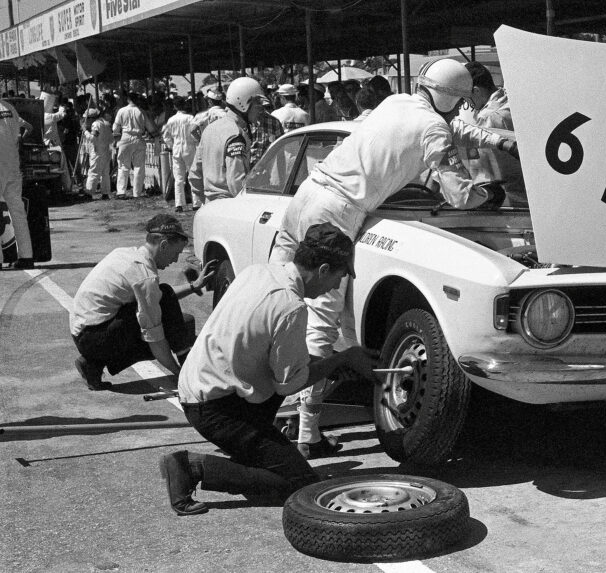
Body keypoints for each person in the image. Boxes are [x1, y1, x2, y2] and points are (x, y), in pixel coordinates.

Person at [270, 58, 517, 457]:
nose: (457, 111)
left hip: (306, 197)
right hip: (338, 211)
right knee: (322, 326)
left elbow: (441, 129)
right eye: (457, 103)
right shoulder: (434, 127)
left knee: (278, 301)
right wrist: (488, 193)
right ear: (449, 98)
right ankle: (307, 435)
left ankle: (264, 408)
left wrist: (494, 138)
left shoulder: (396, 102)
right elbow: (458, 194)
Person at [160, 223, 377, 516]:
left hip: (200, 385)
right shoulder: (291, 308)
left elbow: (278, 355)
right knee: (299, 485)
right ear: (323, 269)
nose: (337, 287)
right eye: (339, 276)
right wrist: (343, 359)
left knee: (278, 458)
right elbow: (288, 384)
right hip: (217, 409)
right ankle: (193, 467)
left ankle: (253, 450)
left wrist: (335, 362)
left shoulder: (258, 272)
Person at [70, 215, 217, 390]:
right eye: (176, 253)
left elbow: (156, 296)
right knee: (165, 330)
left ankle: (92, 364)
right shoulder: (144, 276)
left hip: (85, 332)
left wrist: (194, 286)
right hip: (94, 337)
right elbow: (154, 336)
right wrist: (178, 373)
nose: (175, 260)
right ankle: (186, 366)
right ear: (163, 245)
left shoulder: (126, 253)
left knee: (172, 308)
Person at [188, 78, 264, 204]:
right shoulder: (236, 135)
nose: (260, 109)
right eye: (257, 104)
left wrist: (207, 201)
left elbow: (194, 175)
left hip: (209, 207)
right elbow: (236, 183)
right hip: (229, 206)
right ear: (243, 104)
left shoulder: (209, 129)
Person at [461, 61, 526, 206]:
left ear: (476, 91)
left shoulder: (488, 120)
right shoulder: (514, 103)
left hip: (508, 201)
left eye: (465, 98)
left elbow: (482, 173)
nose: (465, 103)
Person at [0, 97, 34, 270]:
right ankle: (27, 257)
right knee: (18, 212)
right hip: (13, 165)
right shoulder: (9, 108)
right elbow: (28, 127)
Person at [112, 91, 152, 199]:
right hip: (139, 138)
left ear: (128, 99)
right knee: (139, 166)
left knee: (123, 165)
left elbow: (115, 128)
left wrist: (117, 135)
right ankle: (137, 193)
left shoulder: (121, 111)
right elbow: (150, 127)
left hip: (125, 137)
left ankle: (121, 192)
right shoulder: (141, 111)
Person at [162, 98, 197, 212]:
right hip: (189, 147)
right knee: (192, 176)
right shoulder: (190, 118)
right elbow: (195, 132)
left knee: (179, 178)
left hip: (176, 148)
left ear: (175, 107)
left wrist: (171, 146)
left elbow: (166, 136)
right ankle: (196, 203)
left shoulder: (171, 120)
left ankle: (179, 204)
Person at [82, 108, 114, 200]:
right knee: (105, 173)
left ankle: (89, 192)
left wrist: (85, 131)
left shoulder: (96, 124)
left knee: (94, 172)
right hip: (106, 150)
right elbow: (111, 139)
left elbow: (93, 138)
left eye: (87, 118)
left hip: (97, 151)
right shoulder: (106, 123)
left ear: (91, 118)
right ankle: (105, 193)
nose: (86, 120)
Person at [249, 98, 284, 166]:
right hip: (248, 167)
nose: (260, 110)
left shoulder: (274, 122)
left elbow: (280, 148)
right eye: (257, 107)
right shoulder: (247, 121)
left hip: (266, 168)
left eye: (263, 107)